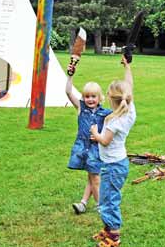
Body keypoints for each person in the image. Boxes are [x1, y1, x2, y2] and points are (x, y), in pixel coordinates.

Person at [89, 56, 136, 247]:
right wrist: (128, 67)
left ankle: (114, 235)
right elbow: (129, 85)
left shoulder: (115, 121)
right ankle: (108, 229)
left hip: (112, 166)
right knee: (109, 196)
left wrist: (95, 133)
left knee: (108, 200)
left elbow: (105, 141)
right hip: (118, 164)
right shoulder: (129, 110)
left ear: (110, 98)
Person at [65, 63, 112, 215]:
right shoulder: (81, 108)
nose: (90, 99)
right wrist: (70, 76)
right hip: (82, 148)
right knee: (91, 176)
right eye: (87, 96)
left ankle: (100, 206)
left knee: (95, 177)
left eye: (93, 96)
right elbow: (68, 92)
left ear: (99, 98)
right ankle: (83, 203)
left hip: (95, 149)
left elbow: (118, 116)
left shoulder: (104, 113)